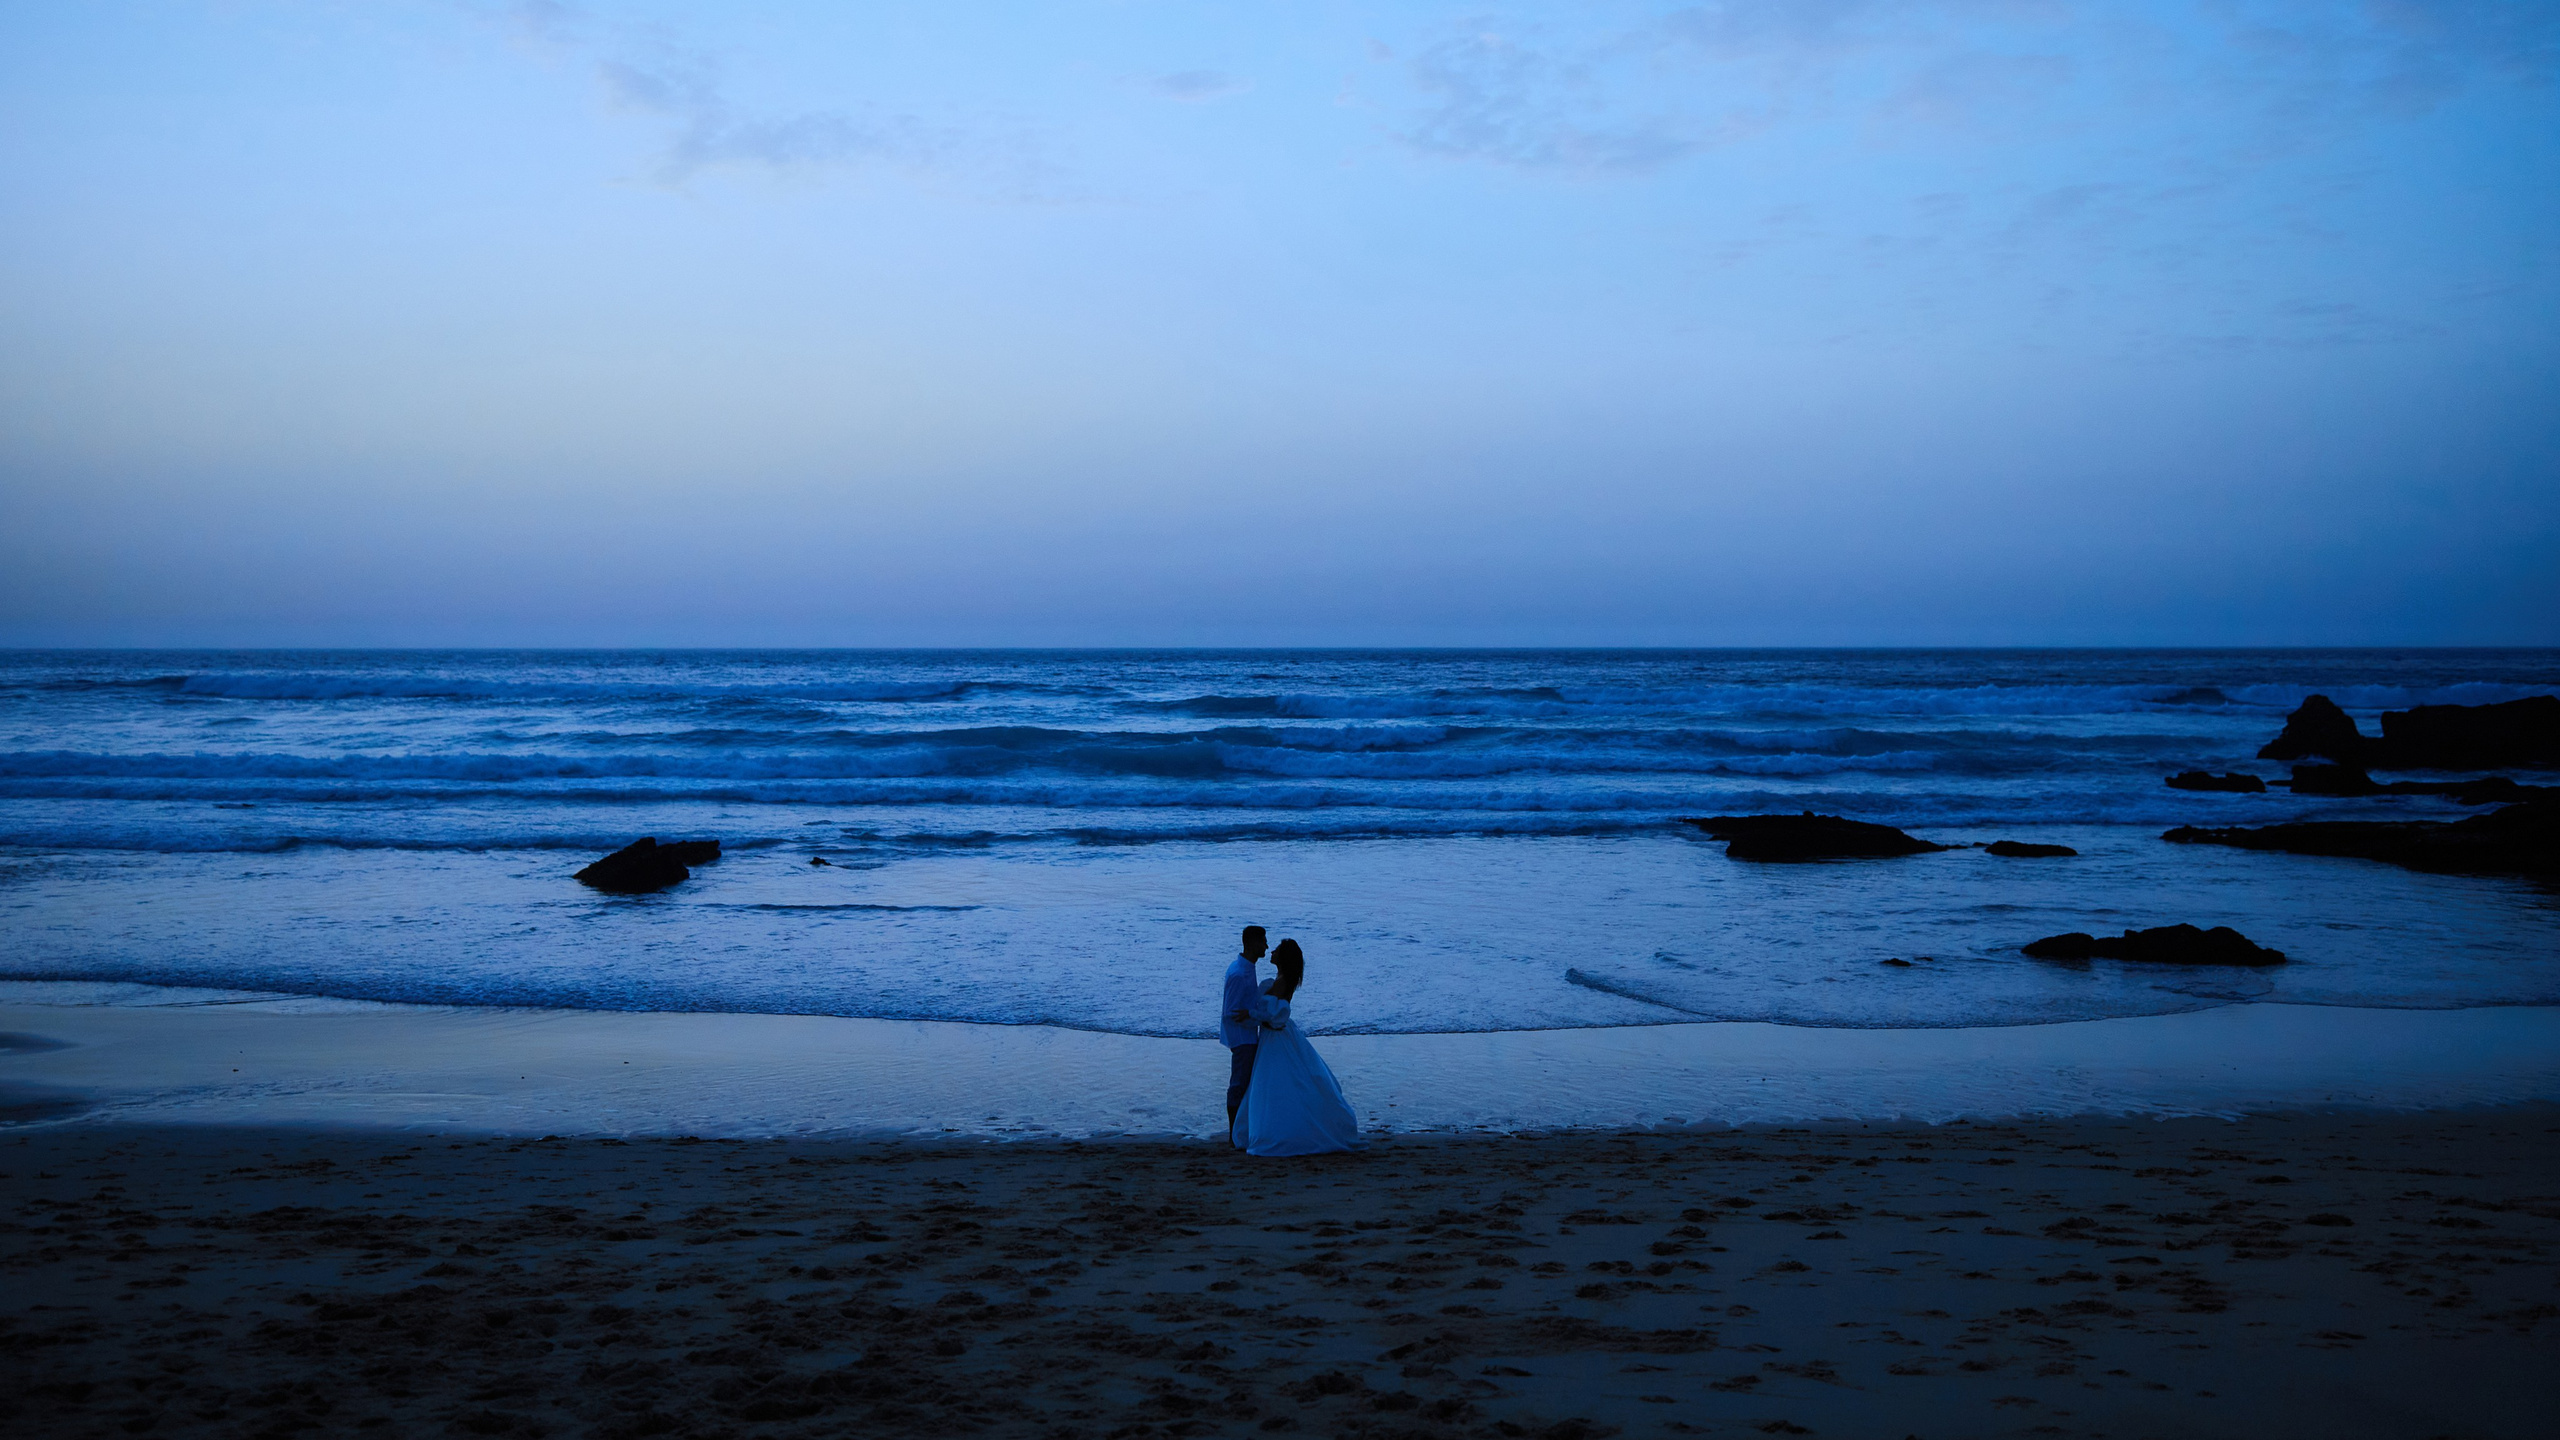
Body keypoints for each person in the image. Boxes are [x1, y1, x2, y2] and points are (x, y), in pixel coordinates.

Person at [1230, 938, 1364, 1156]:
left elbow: (1278, 1016)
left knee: (1275, 1085)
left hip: (1275, 1038)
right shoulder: (1279, 980)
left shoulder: (1282, 982)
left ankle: (1281, 1131)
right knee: (1278, 1085)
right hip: (1273, 1038)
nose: (1271, 951)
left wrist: (1251, 1015)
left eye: (1277, 950)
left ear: (1282, 957)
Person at [1220, 925, 1269, 1132]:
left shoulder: (1245, 968)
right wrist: (1257, 1018)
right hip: (1242, 1038)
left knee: (1243, 1084)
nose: (1266, 945)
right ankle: (1234, 1133)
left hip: (1247, 1036)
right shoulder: (1239, 973)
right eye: (1262, 941)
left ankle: (1239, 1131)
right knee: (1239, 1084)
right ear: (1251, 944)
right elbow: (1230, 1012)